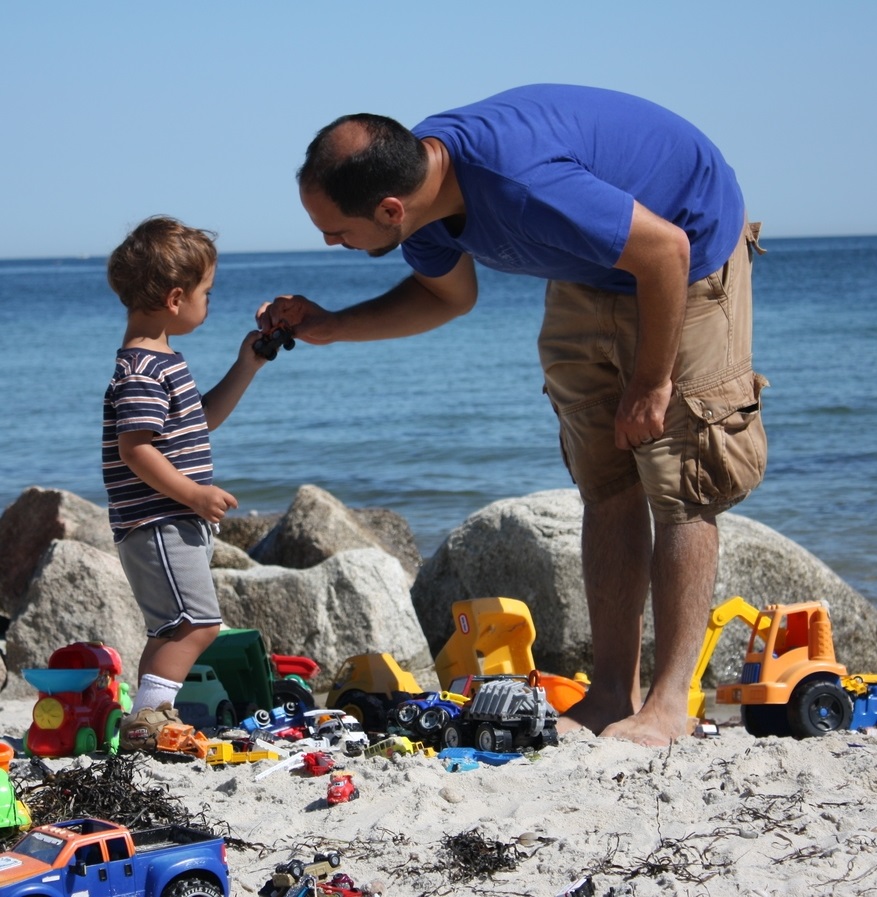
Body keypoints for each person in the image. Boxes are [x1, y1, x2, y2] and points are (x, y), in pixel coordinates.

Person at [259, 84, 769, 746]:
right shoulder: (419, 198)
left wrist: (651, 380)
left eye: (337, 231)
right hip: (594, 264)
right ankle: (612, 691)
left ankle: (668, 703)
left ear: (388, 209)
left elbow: (664, 250)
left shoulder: (522, 183)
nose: (331, 243)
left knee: (679, 483)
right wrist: (332, 327)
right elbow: (447, 296)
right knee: (605, 480)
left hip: (686, 256)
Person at [104, 215, 269, 751]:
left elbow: (200, 419)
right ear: (176, 298)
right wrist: (193, 494)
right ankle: (147, 722)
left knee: (173, 626)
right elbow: (136, 448)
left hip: (169, 518)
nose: (209, 302)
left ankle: (150, 723)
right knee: (196, 624)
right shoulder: (142, 369)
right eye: (207, 292)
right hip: (158, 520)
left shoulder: (163, 361)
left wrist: (247, 365)